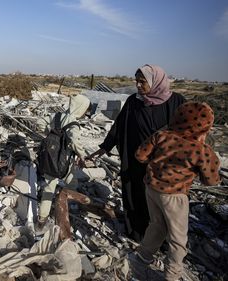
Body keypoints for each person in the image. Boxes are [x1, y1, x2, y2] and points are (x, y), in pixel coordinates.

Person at [86, 64, 186, 241]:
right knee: (136, 194)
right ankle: (138, 233)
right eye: (136, 81)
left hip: (164, 165)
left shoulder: (177, 102)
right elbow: (119, 126)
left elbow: (189, 131)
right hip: (136, 161)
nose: (138, 85)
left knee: (162, 201)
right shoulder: (134, 101)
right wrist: (104, 147)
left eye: (143, 82)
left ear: (156, 81)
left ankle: (162, 240)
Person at [131, 102, 220, 280]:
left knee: (156, 225)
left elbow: (140, 155)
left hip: (151, 188)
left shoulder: (161, 135)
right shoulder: (201, 150)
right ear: (205, 126)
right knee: (178, 239)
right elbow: (211, 181)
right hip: (175, 196)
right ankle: (172, 275)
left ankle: (143, 255)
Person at [37, 95, 90, 227]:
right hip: (64, 162)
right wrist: (82, 155)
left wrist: (51, 135)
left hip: (50, 157)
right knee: (71, 184)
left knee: (49, 187)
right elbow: (74, 141)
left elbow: (39, 122)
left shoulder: (57, 116)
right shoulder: (74, 124)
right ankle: (68, 210)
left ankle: (42, 219)